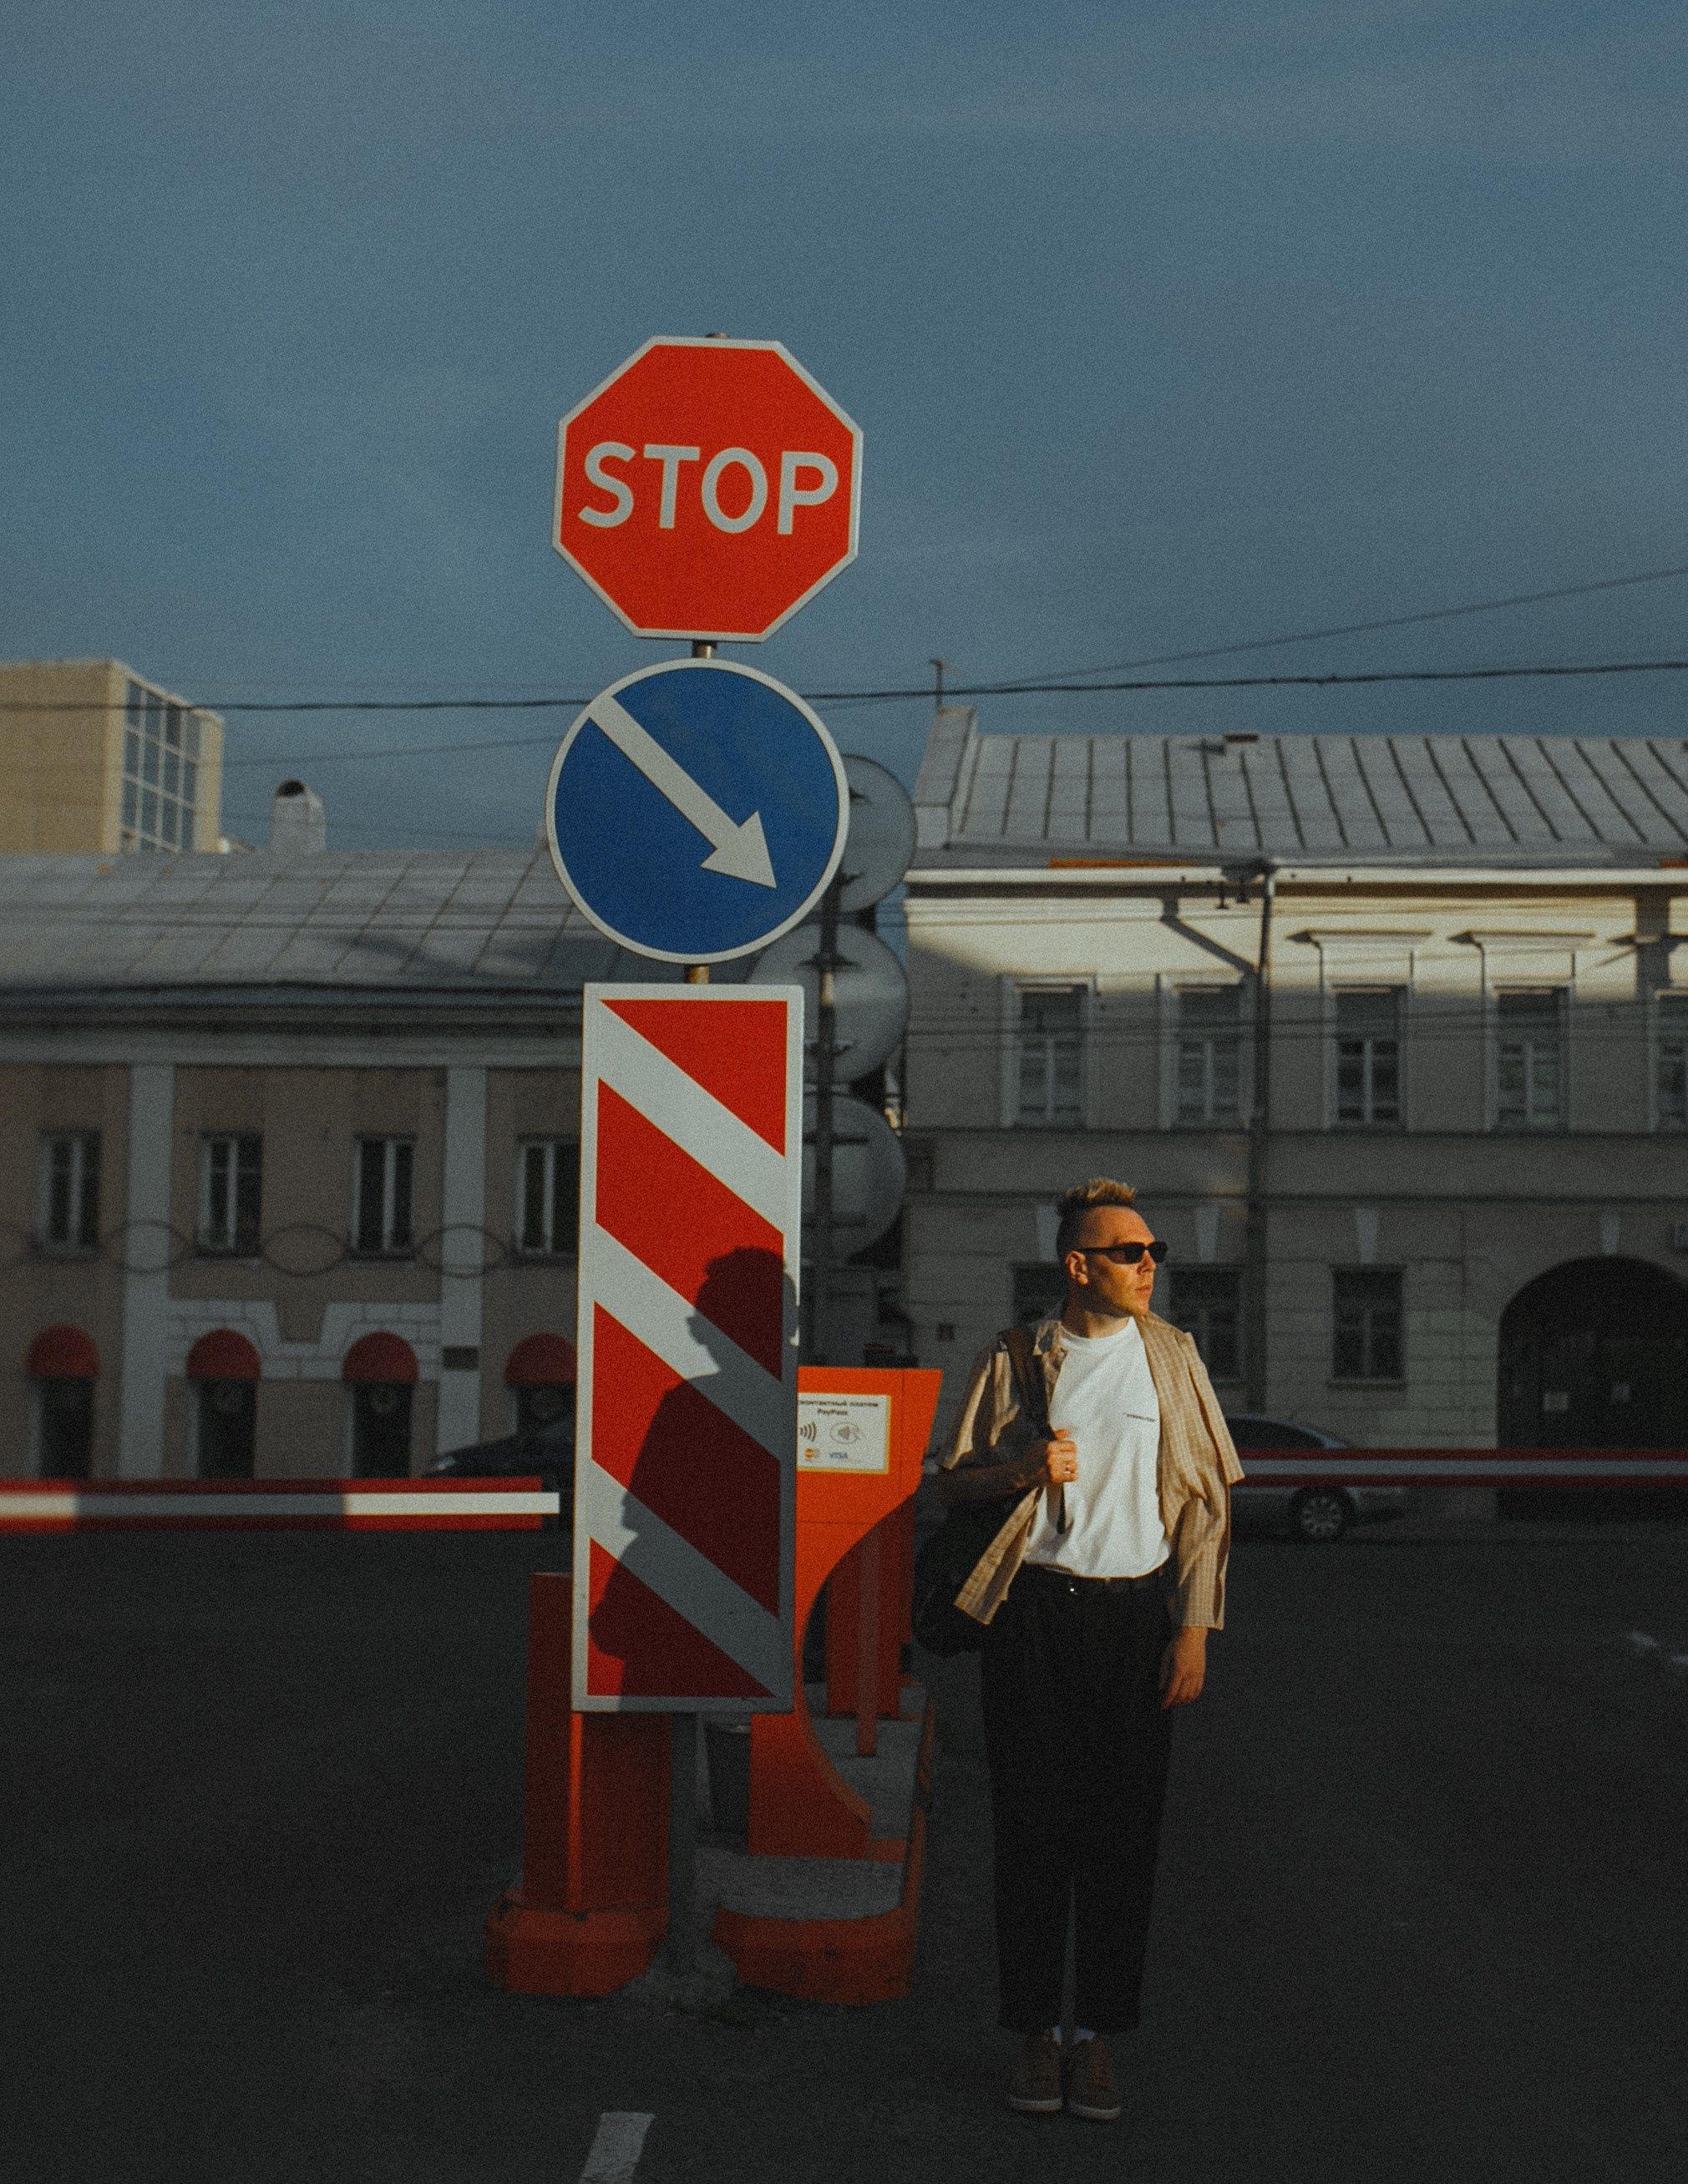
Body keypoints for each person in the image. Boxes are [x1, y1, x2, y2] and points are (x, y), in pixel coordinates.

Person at [937, 1177, 1243, 2122]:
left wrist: (1191, 1627)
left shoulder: (1172, 1355)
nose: (1148, 1264)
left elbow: (1203, 1502)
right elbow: (953, 1485)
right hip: (1030, 1615)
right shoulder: (1013, 1356)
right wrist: (1023, 1467)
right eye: (1128, 1251)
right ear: (1078, 1264)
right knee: (1030, 1832)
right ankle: (1033, 2035)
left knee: (1122, 1838)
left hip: (1135, 1621)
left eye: (1152, 1252)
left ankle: (1098, 2037)